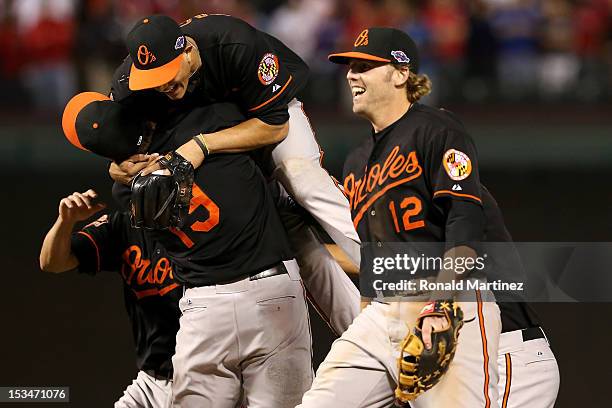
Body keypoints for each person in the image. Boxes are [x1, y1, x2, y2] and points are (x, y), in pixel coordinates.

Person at [108, 13, 360, 335]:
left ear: (186, 50)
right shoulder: (129, 84)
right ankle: (365, 339)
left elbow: (275, 125)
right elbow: (117, 146)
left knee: (302, 180)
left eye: (168, 73)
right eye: (152, 77)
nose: (162, 84)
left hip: (263, 117)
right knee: (294, 238)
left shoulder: (232, 41)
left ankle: (403, 281)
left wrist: (203, 145)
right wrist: (117, 165)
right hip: (220, 136)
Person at [61, 92, 314, 408]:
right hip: (272, 278)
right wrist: (202, 145)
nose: (354, 76)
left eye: (364, 69)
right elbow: (276, 123)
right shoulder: (205, 120)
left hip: (210, 304)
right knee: (321, 254)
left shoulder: (126, 191)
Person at [296, 27, 503, 407]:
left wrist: (441, 304)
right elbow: (372, 252)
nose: (351, 75)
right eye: (350, 67)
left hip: (448, 304)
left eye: (364, 66)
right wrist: (363, 314)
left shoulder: (437, 129)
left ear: (400, 73)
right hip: (382, 310)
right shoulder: (358, 159)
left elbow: (465, 221)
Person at [40, 189, 180, 408]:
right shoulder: (122, 227)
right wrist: (65, 221)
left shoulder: (200, 225)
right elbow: (52, 262)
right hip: (153, 380)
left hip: (204, 374)